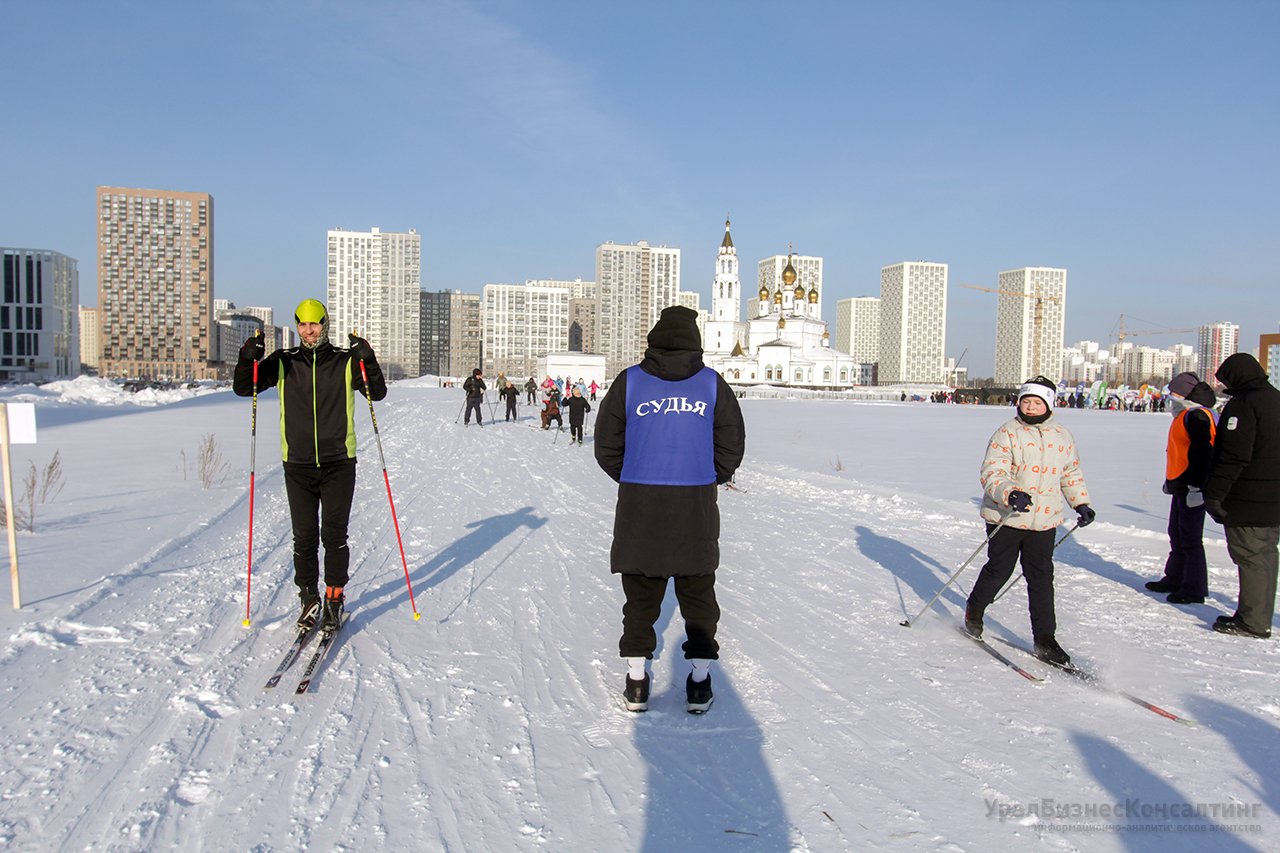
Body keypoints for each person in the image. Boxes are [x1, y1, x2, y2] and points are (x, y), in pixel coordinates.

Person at [594, 305, 745, 713]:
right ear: (695, 344)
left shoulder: (630, 382)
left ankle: (637, 683)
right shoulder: (712, 385)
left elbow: (606, 444)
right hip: (694, 504)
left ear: (654, 340)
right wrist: (706, 475)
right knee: (698, 596)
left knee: (640, 597)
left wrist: (633, 474)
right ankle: (698, 683)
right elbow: (731, 443)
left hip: (641, 504)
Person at [233, 299, 386, 633]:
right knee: (303, 538)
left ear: (325, 324)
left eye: (314, 324)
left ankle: (334, 599)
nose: (308, 330)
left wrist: (368, 360)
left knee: (333, 535)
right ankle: (309, 599)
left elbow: (377, 393)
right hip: (298, 465)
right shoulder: (285, 361)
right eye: (302, 324)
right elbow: (245, 387)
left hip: (338, 463)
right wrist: (248, 358)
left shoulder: (345, 361)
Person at [963, 375, 1094, 666]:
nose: (1031, 407)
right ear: (1019, 402)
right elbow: (993, 472)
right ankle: (975, 609)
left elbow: (1070, 473)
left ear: (1049, 404)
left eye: (1037, 402)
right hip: (1007, 516)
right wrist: (1010, 493)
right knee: (1000, 570)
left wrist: (1081, 502)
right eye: (1026, 401)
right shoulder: (1007, 433)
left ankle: (1046, 641)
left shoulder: (1062, 435)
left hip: (1044, 520)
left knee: (1041, 579)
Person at [1204, 353, 1280, 639]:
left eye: (1225, 379)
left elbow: (1233, 456)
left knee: (1251, 557)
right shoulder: (1275, 399)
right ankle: (1255, 613)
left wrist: (1215, 495)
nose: (1224, 386)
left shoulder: (1244, 405)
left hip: (1248, 497)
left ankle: (1254, 621)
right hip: (1272, 496)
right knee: (1265, 556)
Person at [1144, 372, 1217, 604]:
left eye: (1173, 392)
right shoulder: (1187, 414)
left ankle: (1194, 588)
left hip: (1193, 487)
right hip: (1181, 484)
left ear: (1184, 394)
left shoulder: (1197, 416)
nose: (1169, 396)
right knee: (1176, 532)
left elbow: (1202, 454)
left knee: (1190, 538)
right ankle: (1174, 577)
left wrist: (1196, 487)